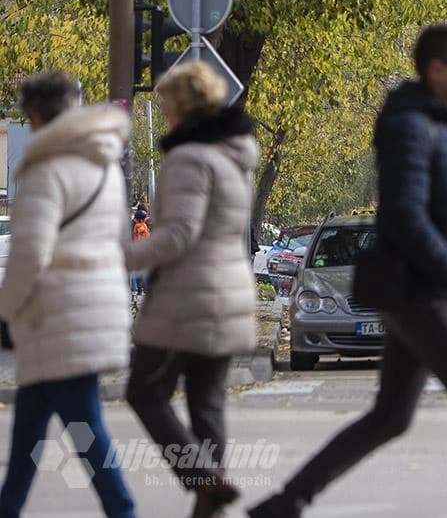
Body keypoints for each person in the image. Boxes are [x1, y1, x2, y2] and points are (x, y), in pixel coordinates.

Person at [249, 23, 447, 518]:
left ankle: (285, 502)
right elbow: (404, 216)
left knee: (390, 416)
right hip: (422, 292)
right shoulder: (410, 127)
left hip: (426, 290)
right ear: (437, 70)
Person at [124, 61, 259, 518]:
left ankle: (205, 480)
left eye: (165, 104)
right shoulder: (234, 155)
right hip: (230, 294)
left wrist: (118, 256)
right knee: (207, 406)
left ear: (182, 105)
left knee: (144, 392)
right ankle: (210, 505)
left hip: (188, 299)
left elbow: (178, 234)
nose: (163, 113)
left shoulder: (190, 158)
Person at [0, 72, 136, 518]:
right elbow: (118, 242)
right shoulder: (103, 167)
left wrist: (4, 311)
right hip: (89, 312)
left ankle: (124, 511)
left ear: (36, 115)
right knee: (28, 437)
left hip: (58, 317)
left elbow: (29, 255)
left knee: (87, 431)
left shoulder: (44, 170)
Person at [129, 204, 149, 294]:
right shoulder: (140, 225)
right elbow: (144, 234)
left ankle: (138, 288)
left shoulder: (137, 224)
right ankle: (140, 287)